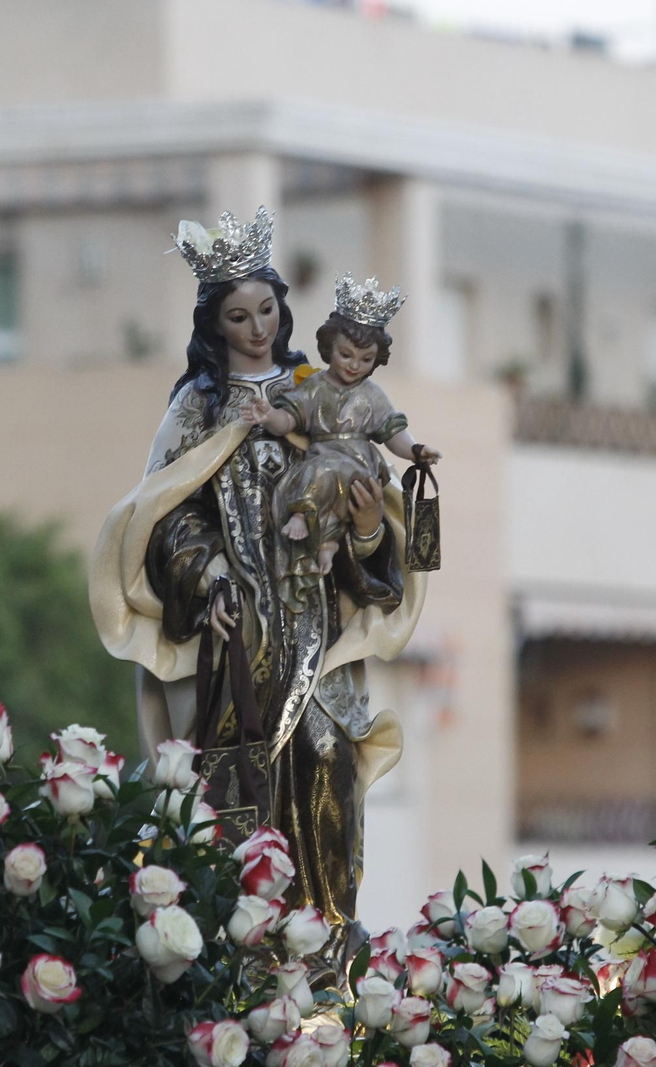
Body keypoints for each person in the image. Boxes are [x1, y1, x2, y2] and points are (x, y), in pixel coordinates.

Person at [90, 208, 428, 963]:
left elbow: (369, 548)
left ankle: (331, 946)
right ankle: (246, 955)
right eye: (237, 316)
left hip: (317, 629)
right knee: (239, 790)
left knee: (327, 766)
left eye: (266, 311)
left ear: (284, 307)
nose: (255, 329)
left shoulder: (320, 395)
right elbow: (164, 516)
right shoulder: (197, 409)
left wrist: (370, 529)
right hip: (237, 638)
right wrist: (208, 575)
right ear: (214, 325)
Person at [244, 274, 442, 608]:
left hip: (360, 468)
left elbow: (393, 434)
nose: (354, 366)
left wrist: (416, 451)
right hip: (322, 461)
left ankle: (312, 525)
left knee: (333, 478)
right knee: (321, 475)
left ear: (376, 359)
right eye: (346, 355)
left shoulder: (372, 395)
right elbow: (288, 420)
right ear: (329, 348)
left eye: (366, 360)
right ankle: (323, 539)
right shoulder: (314, 388)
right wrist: (269, 416)